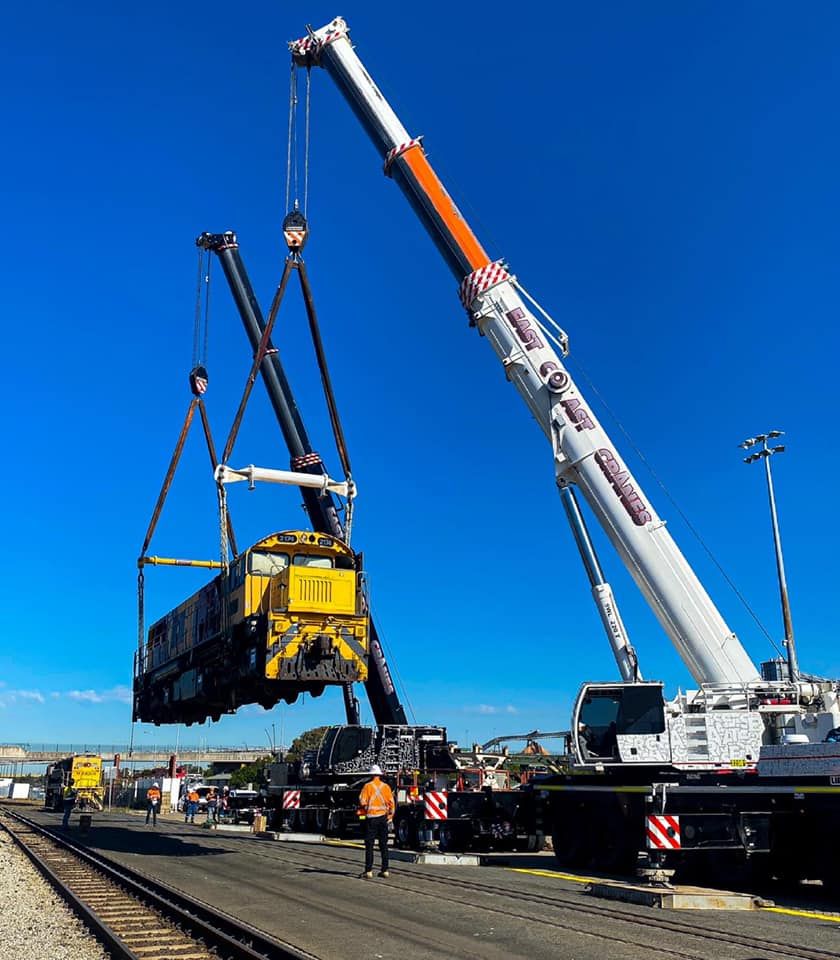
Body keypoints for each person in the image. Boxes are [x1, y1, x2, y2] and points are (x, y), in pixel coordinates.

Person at [357, 764, 394, 879]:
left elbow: (362, 802)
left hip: (371, 818)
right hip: (383, 818)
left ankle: (368, 871)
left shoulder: (367, 786)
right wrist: (390, 816)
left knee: (369, 845)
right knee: (383, 845)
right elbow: (391, 803)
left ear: (371, 775)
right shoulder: (386, 787)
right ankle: (385, 870)